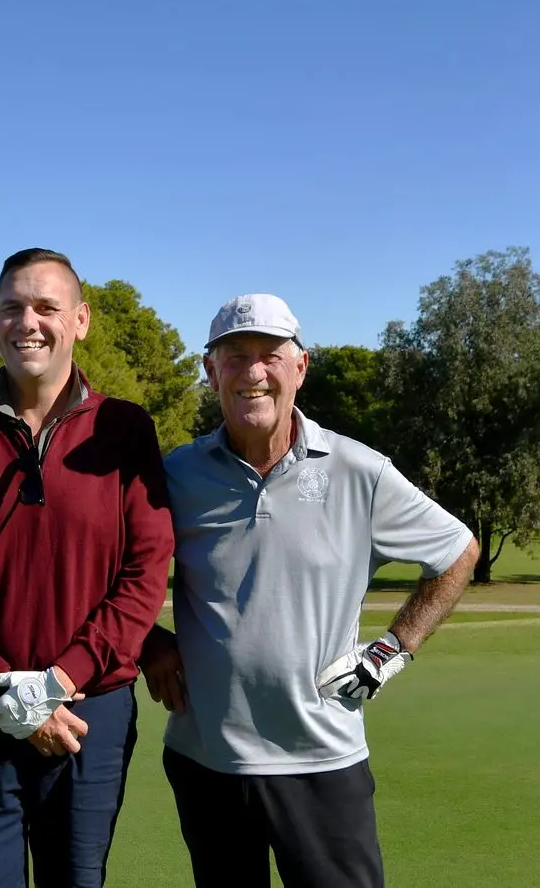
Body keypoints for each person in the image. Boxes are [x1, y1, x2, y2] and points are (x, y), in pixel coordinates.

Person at [141, 293, 479, 888]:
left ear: (300, 367)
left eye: (271, 355)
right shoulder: (178, 474)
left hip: (322, 761)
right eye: (235, 356)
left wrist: (393, 649)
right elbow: (116, 568)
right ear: (209, 370)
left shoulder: (359, 471)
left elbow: (456, 551)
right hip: (206, 760)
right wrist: (149, 640)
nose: (253, 372)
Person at [0, 248, 174, 888]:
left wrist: (57, 681)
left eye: (47, 307)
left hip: (89, 711)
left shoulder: (125, 429)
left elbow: (143, 571)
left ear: (80, 320)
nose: (30, 322)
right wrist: (0, 684)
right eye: (15, 308)